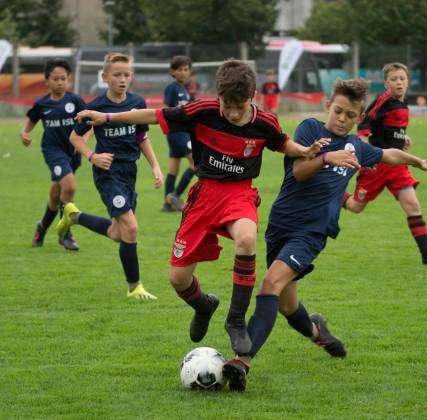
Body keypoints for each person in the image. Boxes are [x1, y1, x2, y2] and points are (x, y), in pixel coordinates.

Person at [74, 59, 333, 390]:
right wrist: (107, 116)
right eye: (227, 106)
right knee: (178, 279)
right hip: (203, 197)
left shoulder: (264, 121)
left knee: (246, 239)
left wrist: (305, 150)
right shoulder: (203, 110)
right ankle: (204, 305)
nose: (233, 114)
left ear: (252, 96)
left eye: (239, 107)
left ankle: (236, 322)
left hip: (238, 194)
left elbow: (282, 143)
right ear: (218, 96)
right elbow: (154, 116)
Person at [238, 78, 427, 391]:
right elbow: (298, 172)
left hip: (312, 232)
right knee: (287, 305)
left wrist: (415, 159)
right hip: (281, 226)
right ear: (329, 105)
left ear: (359, 118)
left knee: (270, 284)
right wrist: (327, 157)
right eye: (338, 111)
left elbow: (387, 154)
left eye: (350, 115)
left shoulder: (357, 146)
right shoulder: (311, 130)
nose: (342, 119)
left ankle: (242, 361)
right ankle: (319, 333)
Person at [56, 52, 163, 300]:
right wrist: (93, 156)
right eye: (117, 75)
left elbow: (141, 137)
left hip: (129, 172)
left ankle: (74, 216)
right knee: (132, 228)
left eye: (127, 74)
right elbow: (74, 137)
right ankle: (134, 286)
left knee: (118, 233)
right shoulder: (94, 107)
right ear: (105, 77)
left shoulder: (137, 101)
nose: (122, 79)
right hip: (108, 173)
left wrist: (155, 166)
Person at [343, 63, 427, 265]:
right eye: (394, 79)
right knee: (355, 206)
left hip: (398, 165)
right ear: (386, 84)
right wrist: (365, 150)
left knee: (412, 205)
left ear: (408, 81)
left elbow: (388, 127)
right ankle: (333, 192)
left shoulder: (402, 102)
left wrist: (402, 137)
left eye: (402, 78)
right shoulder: (384, 101)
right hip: (377, 164)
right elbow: (364, 122)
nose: (399, 82)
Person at [20, 58, 89, 251]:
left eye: (63, 78)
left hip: (73, 152)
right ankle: (65, 233)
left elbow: (90, 123)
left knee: (56, 193)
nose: (60, 82)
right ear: (47, 80)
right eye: (56, 78)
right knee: (69, 185)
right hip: (53, 151)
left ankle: (41, 227)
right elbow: (31, 120)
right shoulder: (42, 104)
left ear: (69, 79)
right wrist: (24, 133)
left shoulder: (75, 101)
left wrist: (83, 141)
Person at [161, 55, 196, 212]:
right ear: (172, 72)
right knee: (196, 164)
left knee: (173, 169)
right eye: (179, 69)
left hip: (182, 133)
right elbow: (165, 109)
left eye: (186, 69)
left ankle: (167, 204)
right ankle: (175, 195)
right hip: (177, 133)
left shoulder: (184, 89)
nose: (183, 72)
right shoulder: (172, 88)